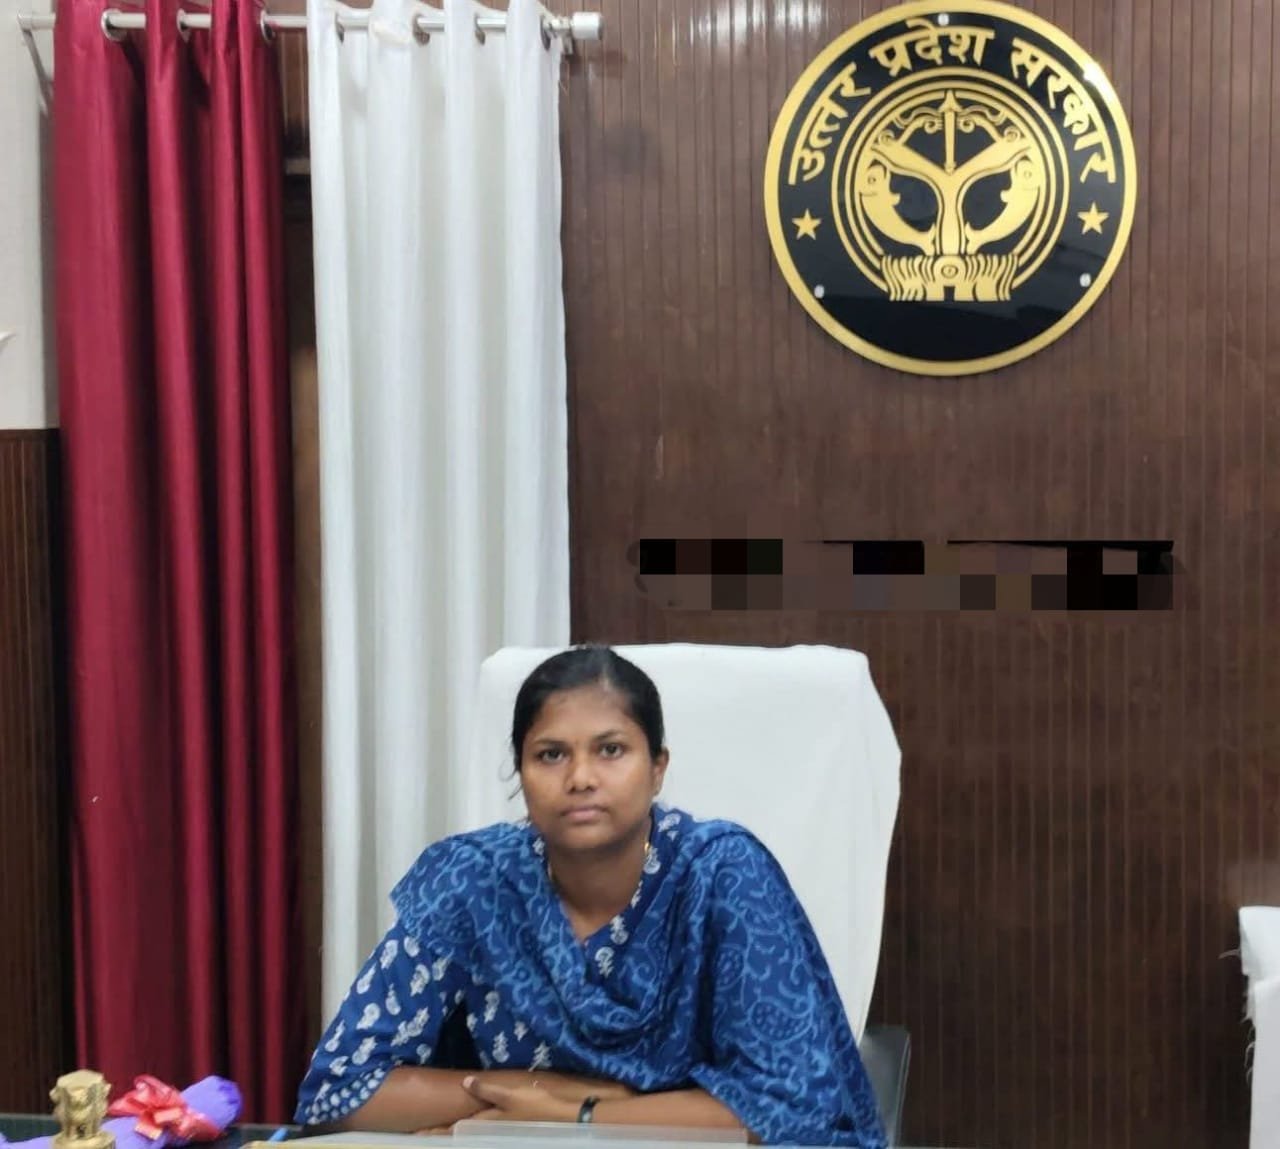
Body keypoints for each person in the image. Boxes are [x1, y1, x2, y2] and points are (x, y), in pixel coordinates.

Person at [295, 646, 886, 1147]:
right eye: (550, 754)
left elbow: (792, 1108)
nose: (580, 778)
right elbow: (340, 1089)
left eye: (610, 750)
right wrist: (534, 1093)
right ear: (521, 774)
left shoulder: (723, 875)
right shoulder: (473, 882)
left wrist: (574, 1116)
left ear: (657, 769)